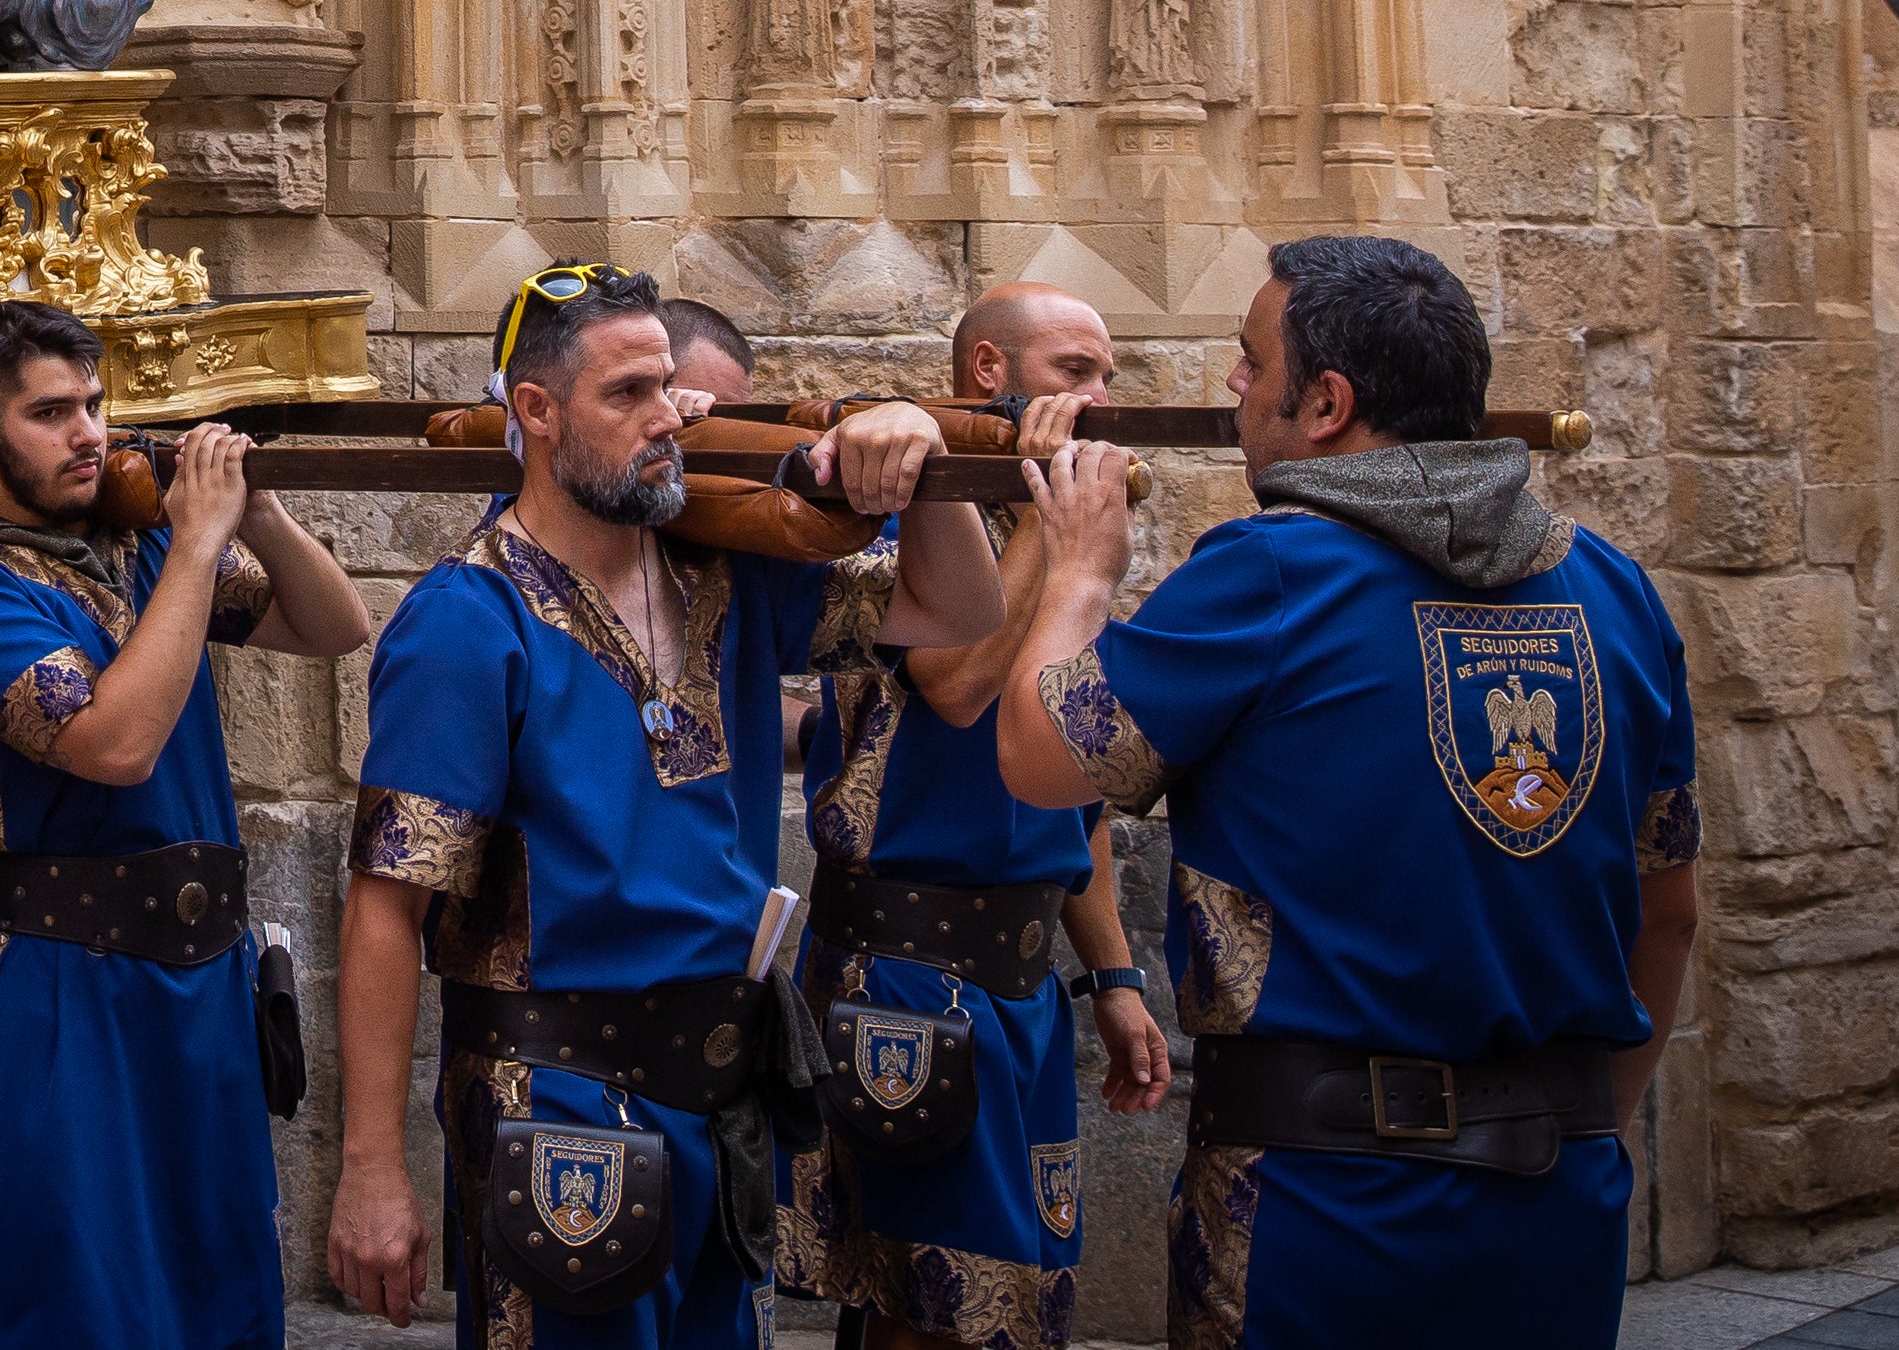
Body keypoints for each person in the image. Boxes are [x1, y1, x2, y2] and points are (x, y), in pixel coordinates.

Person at [998, 240, 1699, 1350]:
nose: (1230, 383)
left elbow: (1039, 758)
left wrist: (1080, 567)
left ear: (1324, 402)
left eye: (1245, 358)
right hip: (1560, 1193)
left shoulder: (1270, 569)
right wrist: (1583, 1127)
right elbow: (1669, 914)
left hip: (1319, 1206)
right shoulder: (1614, 587)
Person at [328, 265, 1004, 1350]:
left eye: (668, 388)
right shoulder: (467, 617)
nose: (664, 419)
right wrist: (371, 1169)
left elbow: (957, 606)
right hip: (551, 1108)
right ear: (535, 411)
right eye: (627, 392)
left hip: (719, 1090)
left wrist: (914, 450)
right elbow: (384, 906)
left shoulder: (725, 569)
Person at [0, 299, 375, 1350]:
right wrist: (194, 543)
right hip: (63, 981)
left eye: (94, 405)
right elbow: (114, 744)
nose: (86, 433)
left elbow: (335, 627)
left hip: (199, 979)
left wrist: (261, 515)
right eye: (50, 411)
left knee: (216, 1278)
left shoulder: (138, 547)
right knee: (79, 1293)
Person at [784, 284, 1173, 1350]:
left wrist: (1116, 977)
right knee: (933, 1302)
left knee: (1016, 1298)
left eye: (1105, 372)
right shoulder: (916, 513)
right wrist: (1059, 537)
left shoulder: (1056, 531)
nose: (1098, 396)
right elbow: (953, 682)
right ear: (989, 374)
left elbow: (1070, 778)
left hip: (1022, 981)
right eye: (1072, 372)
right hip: (906, 974)